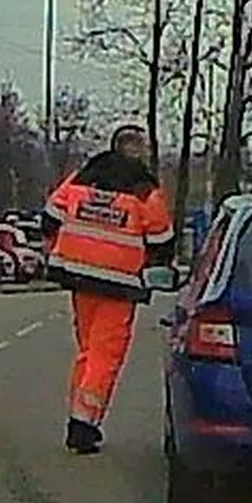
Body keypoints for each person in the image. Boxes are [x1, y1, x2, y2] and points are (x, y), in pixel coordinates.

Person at [40, 124, 175, 454]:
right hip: (119, 282)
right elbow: (161, 239)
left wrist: (62, 248)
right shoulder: (143, 188)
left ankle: (79, 415)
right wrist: (153, 268)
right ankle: (84, 424)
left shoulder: (83, 176)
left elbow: (50, 217)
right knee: (106, 353)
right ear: (138, 150)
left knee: (88, 350)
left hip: (77, 275)